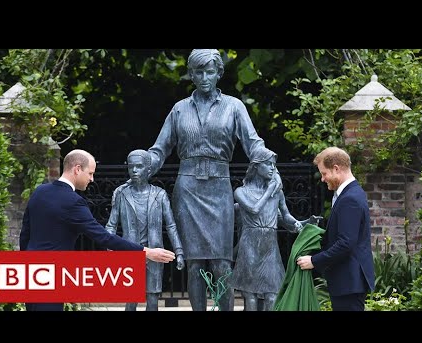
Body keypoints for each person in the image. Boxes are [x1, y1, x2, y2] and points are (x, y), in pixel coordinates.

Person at [146, 49, 282, 311]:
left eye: (210, 72)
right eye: (199, 72)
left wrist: (269, 164)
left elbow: (253, 143)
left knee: (221, 263)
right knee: (195, 263)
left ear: (219, 73)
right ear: (192, 74)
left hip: (219, 188)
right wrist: (143, 168)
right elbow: (160, 149)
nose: (205, 77)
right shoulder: (179, 109)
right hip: (188, 189)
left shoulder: (234, 106)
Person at [19, 149, 175, 311]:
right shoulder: (74, 202)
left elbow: (25, 234)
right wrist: (146, 252)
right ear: (77, 169)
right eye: (90, 173)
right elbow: (104, 238)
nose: (92, 179)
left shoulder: (39, 192)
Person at [230, 147, 321, 311]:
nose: (273, 168)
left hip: (269, 248)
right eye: (268, 164)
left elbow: (285, 217)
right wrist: (270, 190)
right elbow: (254, 209)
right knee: (250, 296)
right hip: (250, 245)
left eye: (274, 165)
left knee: (272, 294)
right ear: (256, 166)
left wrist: (306, 222)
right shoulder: (241, 191)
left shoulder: (277, 194)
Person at [296, 146, 375, 311]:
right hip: (347, 281)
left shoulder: (350, 198)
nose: (323, 179)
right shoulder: (348, 194)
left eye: (324, 173)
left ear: (336, 169)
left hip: (349, 281)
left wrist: (314, 261)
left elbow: (346, 243)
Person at [106, 149, 185, 311]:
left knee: (153, 298)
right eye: (131, 167)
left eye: (139, 166)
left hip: (155, 252)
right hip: (130, 252)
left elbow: (170, 225)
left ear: (148, 170)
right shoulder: (122, 194)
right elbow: (111, 224)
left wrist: (179, 252)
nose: (134, 171)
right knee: (130, 300)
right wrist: (109, 250)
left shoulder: (160, 195)